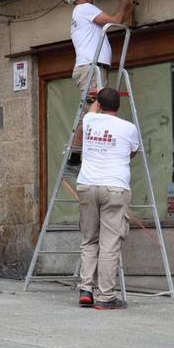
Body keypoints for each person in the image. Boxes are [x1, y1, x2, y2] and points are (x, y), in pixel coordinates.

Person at [75, 87, 138, 310]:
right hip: (114, 187)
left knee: (89, 239)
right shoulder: (129, 128)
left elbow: (90, 114)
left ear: (99, 105)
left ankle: (86, 290)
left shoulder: (90, 118)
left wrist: (95, 98)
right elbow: (132, 153)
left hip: (87, 185)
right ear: (118, 106)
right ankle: (106, 296)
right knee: (109, 243)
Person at [63, 0, 137, 167]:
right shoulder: (83, 8)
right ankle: (79, 153)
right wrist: (122, 0)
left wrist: (128, 3)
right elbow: (115, 20)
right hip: (91, 67)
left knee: (93, 110)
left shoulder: (82, 12)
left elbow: (123, 22)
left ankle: (76, 153)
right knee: (93, 110)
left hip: (93, 67)